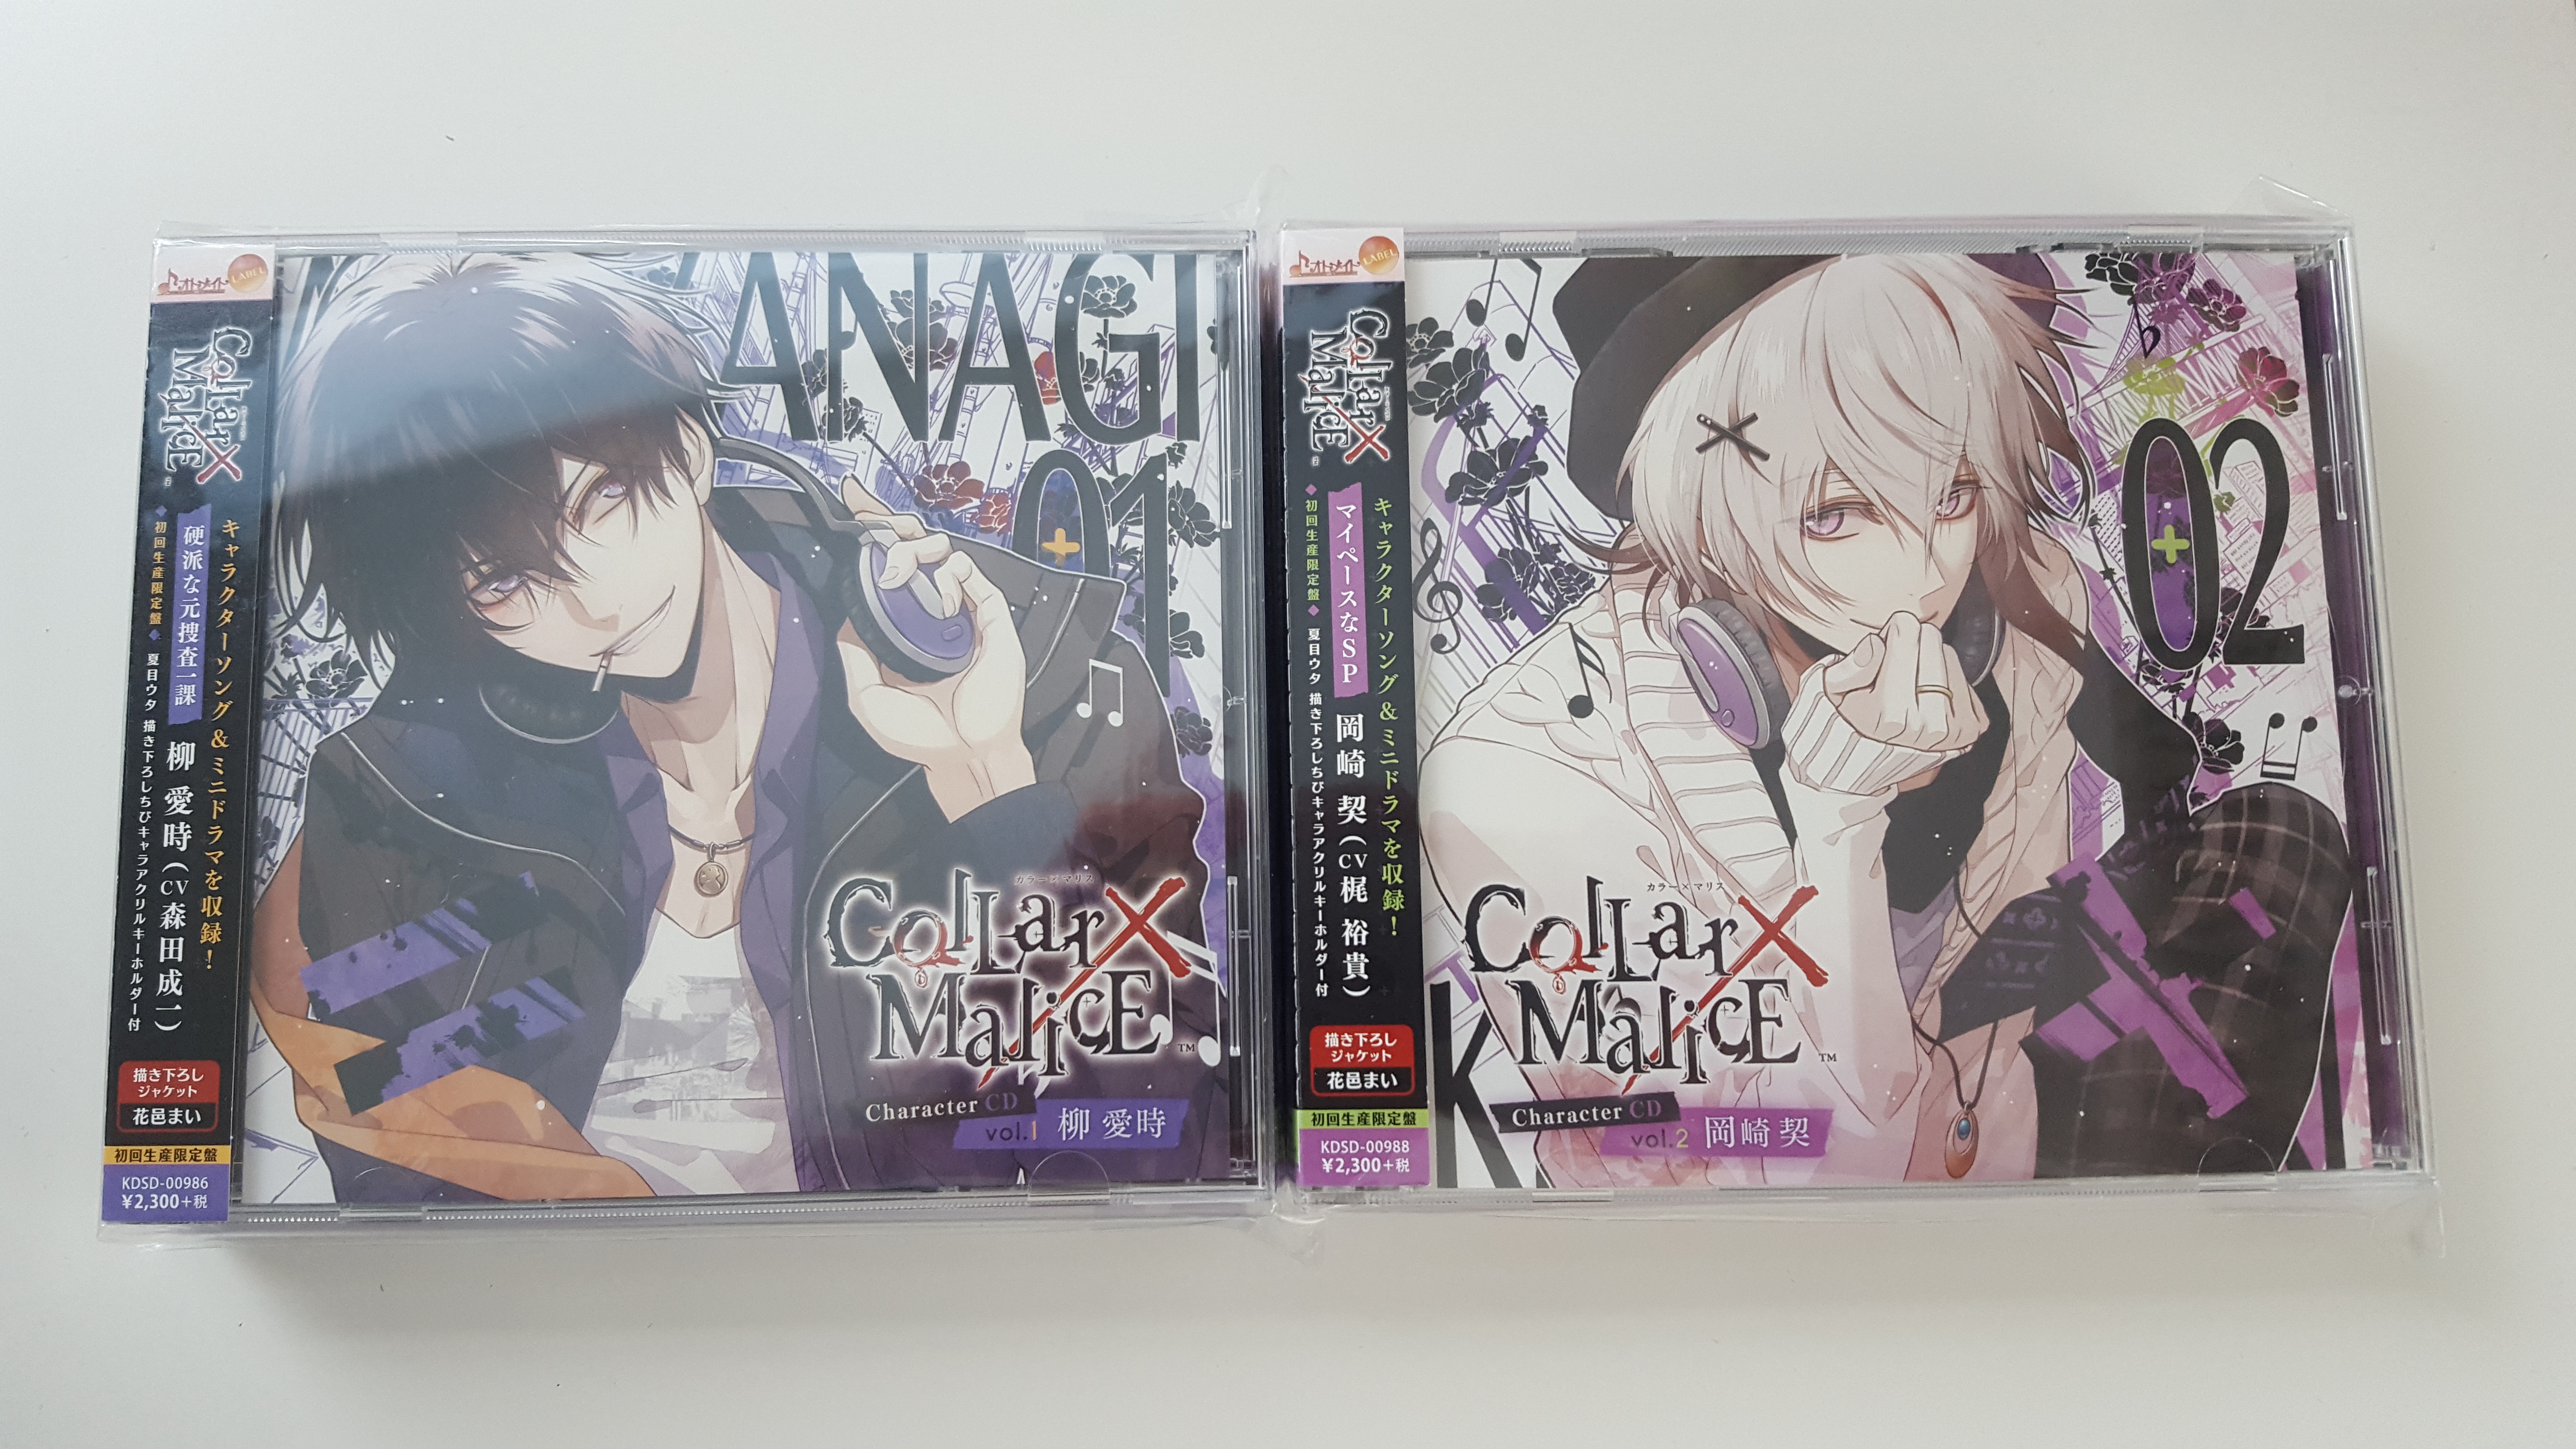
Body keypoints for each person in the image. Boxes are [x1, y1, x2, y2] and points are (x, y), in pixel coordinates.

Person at [248, 253, 1224, 1202]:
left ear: (692, 448)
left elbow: (1160, 1135)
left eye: (605, 500)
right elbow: (402, 1165)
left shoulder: (1048, 680)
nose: (595, 602)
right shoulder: (405, 801)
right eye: (505, 582)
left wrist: (988, 783)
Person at [1420, 253, 2350, 1187]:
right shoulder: (1518, 775)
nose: (1926, 572)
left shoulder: (2018, 604)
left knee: (2276, 836)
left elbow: (2015, 954)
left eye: (1951, 494)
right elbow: (1772, 1184)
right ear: (1695, 520)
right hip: (1808, 1184)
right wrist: (1838, 827)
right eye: (1834, 514)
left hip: (1987, 1107)